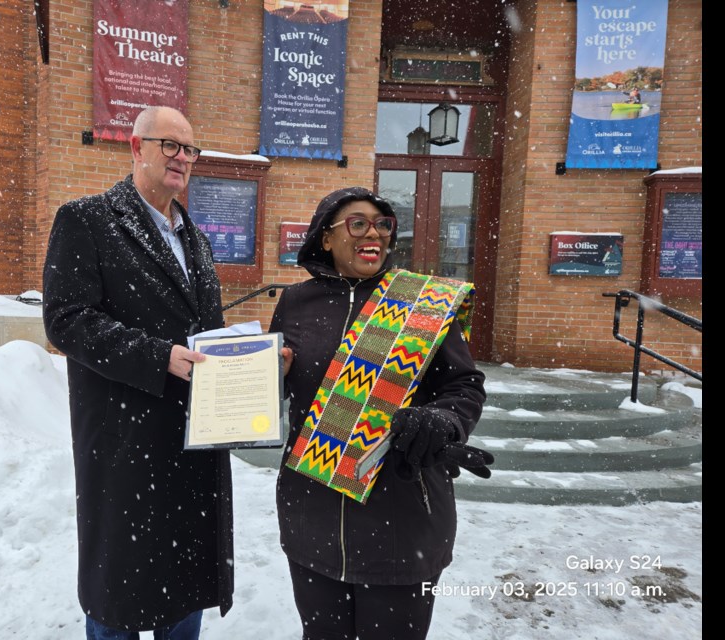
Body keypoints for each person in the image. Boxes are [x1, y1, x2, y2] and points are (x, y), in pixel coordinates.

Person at [43, 106, 233, 640]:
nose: (181, 159)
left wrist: (254, 361)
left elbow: (204, 333)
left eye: (189, 149)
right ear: (136, 147)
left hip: (191, 445)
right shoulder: (87, 220)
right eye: (169, 145)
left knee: (184, 588)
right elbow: (66, 320)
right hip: (125, 444)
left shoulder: (195, 239)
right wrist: (156, 356)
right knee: (118, 591)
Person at [269, 187, 490, 640]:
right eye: (358, 223)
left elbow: (463, 384)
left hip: (401, 519)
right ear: (326, 238)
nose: (374, 233)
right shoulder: (295, 303)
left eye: (383, 224)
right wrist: (268, 377)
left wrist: (443, 421)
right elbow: (279, 386)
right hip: (311, 513)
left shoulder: (423, 303)